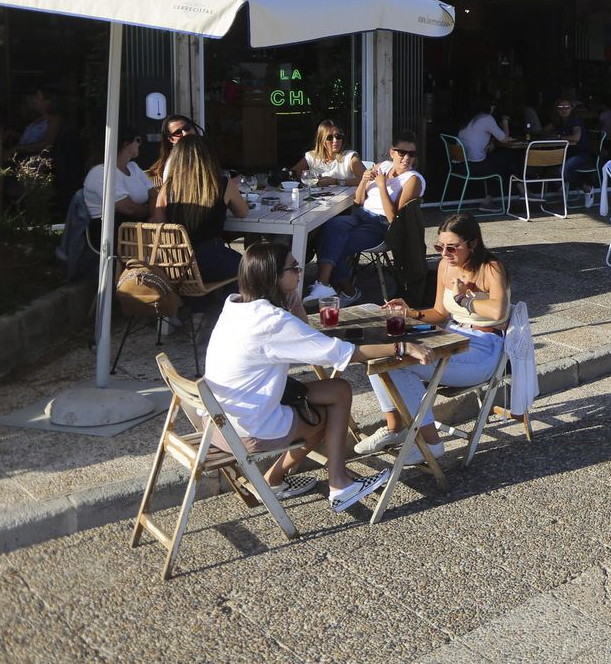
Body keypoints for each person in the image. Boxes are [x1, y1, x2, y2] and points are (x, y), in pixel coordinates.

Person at [203, 242, 414, 510]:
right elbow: (342, 353)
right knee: (324, 416)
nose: (300, 271)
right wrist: (401, 348)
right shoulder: (272, 321)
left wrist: (295, 304)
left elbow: (307, 339)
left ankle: (273, 480)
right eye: (293, 267)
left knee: (338, 390)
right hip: (246, 429)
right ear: (274, 277)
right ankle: (340, 484)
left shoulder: (235, 306)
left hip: (218, 420)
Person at [355, 213, 510, 455]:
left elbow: (498, 310)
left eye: (452, 248)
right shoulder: (445, 267)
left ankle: (431, 442)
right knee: (378, 354)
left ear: (473, 243)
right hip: (452, 338)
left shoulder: (490, 268)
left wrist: (462, 299)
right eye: (440, 246)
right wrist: (410, 312)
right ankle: (395, 427)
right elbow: (439, 313)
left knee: (396, 363)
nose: (445, 253)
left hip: (483, 349)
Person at [306, 131, 424, 301]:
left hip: (382, 226)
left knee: (333, 244)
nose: (406, 158)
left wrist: (382, 186)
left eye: (411, 154)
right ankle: (327, 286)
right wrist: (363, 181)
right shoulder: (382, 166)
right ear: (392, 152)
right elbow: (359, 200)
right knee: (330, 226)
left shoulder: (412, 179)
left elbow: (394, 219)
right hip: (361, 216)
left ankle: (342, 289)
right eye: (402, 153)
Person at [151, 133, 249, 285]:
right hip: (210, 260)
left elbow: (159, 227)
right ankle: (234, 304)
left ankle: (201, 305)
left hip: (176, 265)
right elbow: (243, 212)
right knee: (253, 268)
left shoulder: (167, 188)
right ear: (208, 157)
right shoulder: (222, 184)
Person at [83, 132, 155, 246]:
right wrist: (153, 214)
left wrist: (155, 216)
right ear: (126, 144)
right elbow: (128, 208)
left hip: (137, 227)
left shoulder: (133, 167)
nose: (139, 144)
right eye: (138, 140)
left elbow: (153, 193)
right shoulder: (100, 173)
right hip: (113, 234)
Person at [291, 120, 365, 186]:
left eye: (338, 136)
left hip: (347, 200)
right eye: (330, 138)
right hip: (318, 199)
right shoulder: (311, 157)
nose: (335, 140)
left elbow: (365, 179)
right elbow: (292, 175)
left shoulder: (350, 156)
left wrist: (336, 182)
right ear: (321, 141)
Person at [456, 105, 514, 184]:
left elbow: (477, 137)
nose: (494, 108)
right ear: (489, 106)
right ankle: (521, 190)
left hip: (460, 166)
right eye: (493, 106)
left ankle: (493, 193)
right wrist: (505, 121)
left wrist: (490, 142)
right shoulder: (487, 118)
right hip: (474, 167)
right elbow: (505, 139)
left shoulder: (470, 118)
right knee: (508, 156)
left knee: (497, 157)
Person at [145, 114, 200, 184]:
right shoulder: (176, 160)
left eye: (187, 128)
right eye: (178, 132)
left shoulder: (204, 151)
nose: (185, 133)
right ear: (171, 139)